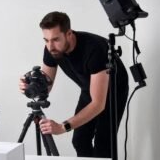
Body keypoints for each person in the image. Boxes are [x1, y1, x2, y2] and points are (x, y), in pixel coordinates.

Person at [19, 11, 129, 158]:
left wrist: (62, 127)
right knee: (80, 140)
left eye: (56, 39)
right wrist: (31, 86)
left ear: (69, 34)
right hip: (88, 87)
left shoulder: (94, 50)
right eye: (46, 40)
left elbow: (98, 104)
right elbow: (47, 85)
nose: (50, 46)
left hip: (114, 90)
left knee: (104, 144)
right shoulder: (51, 49)